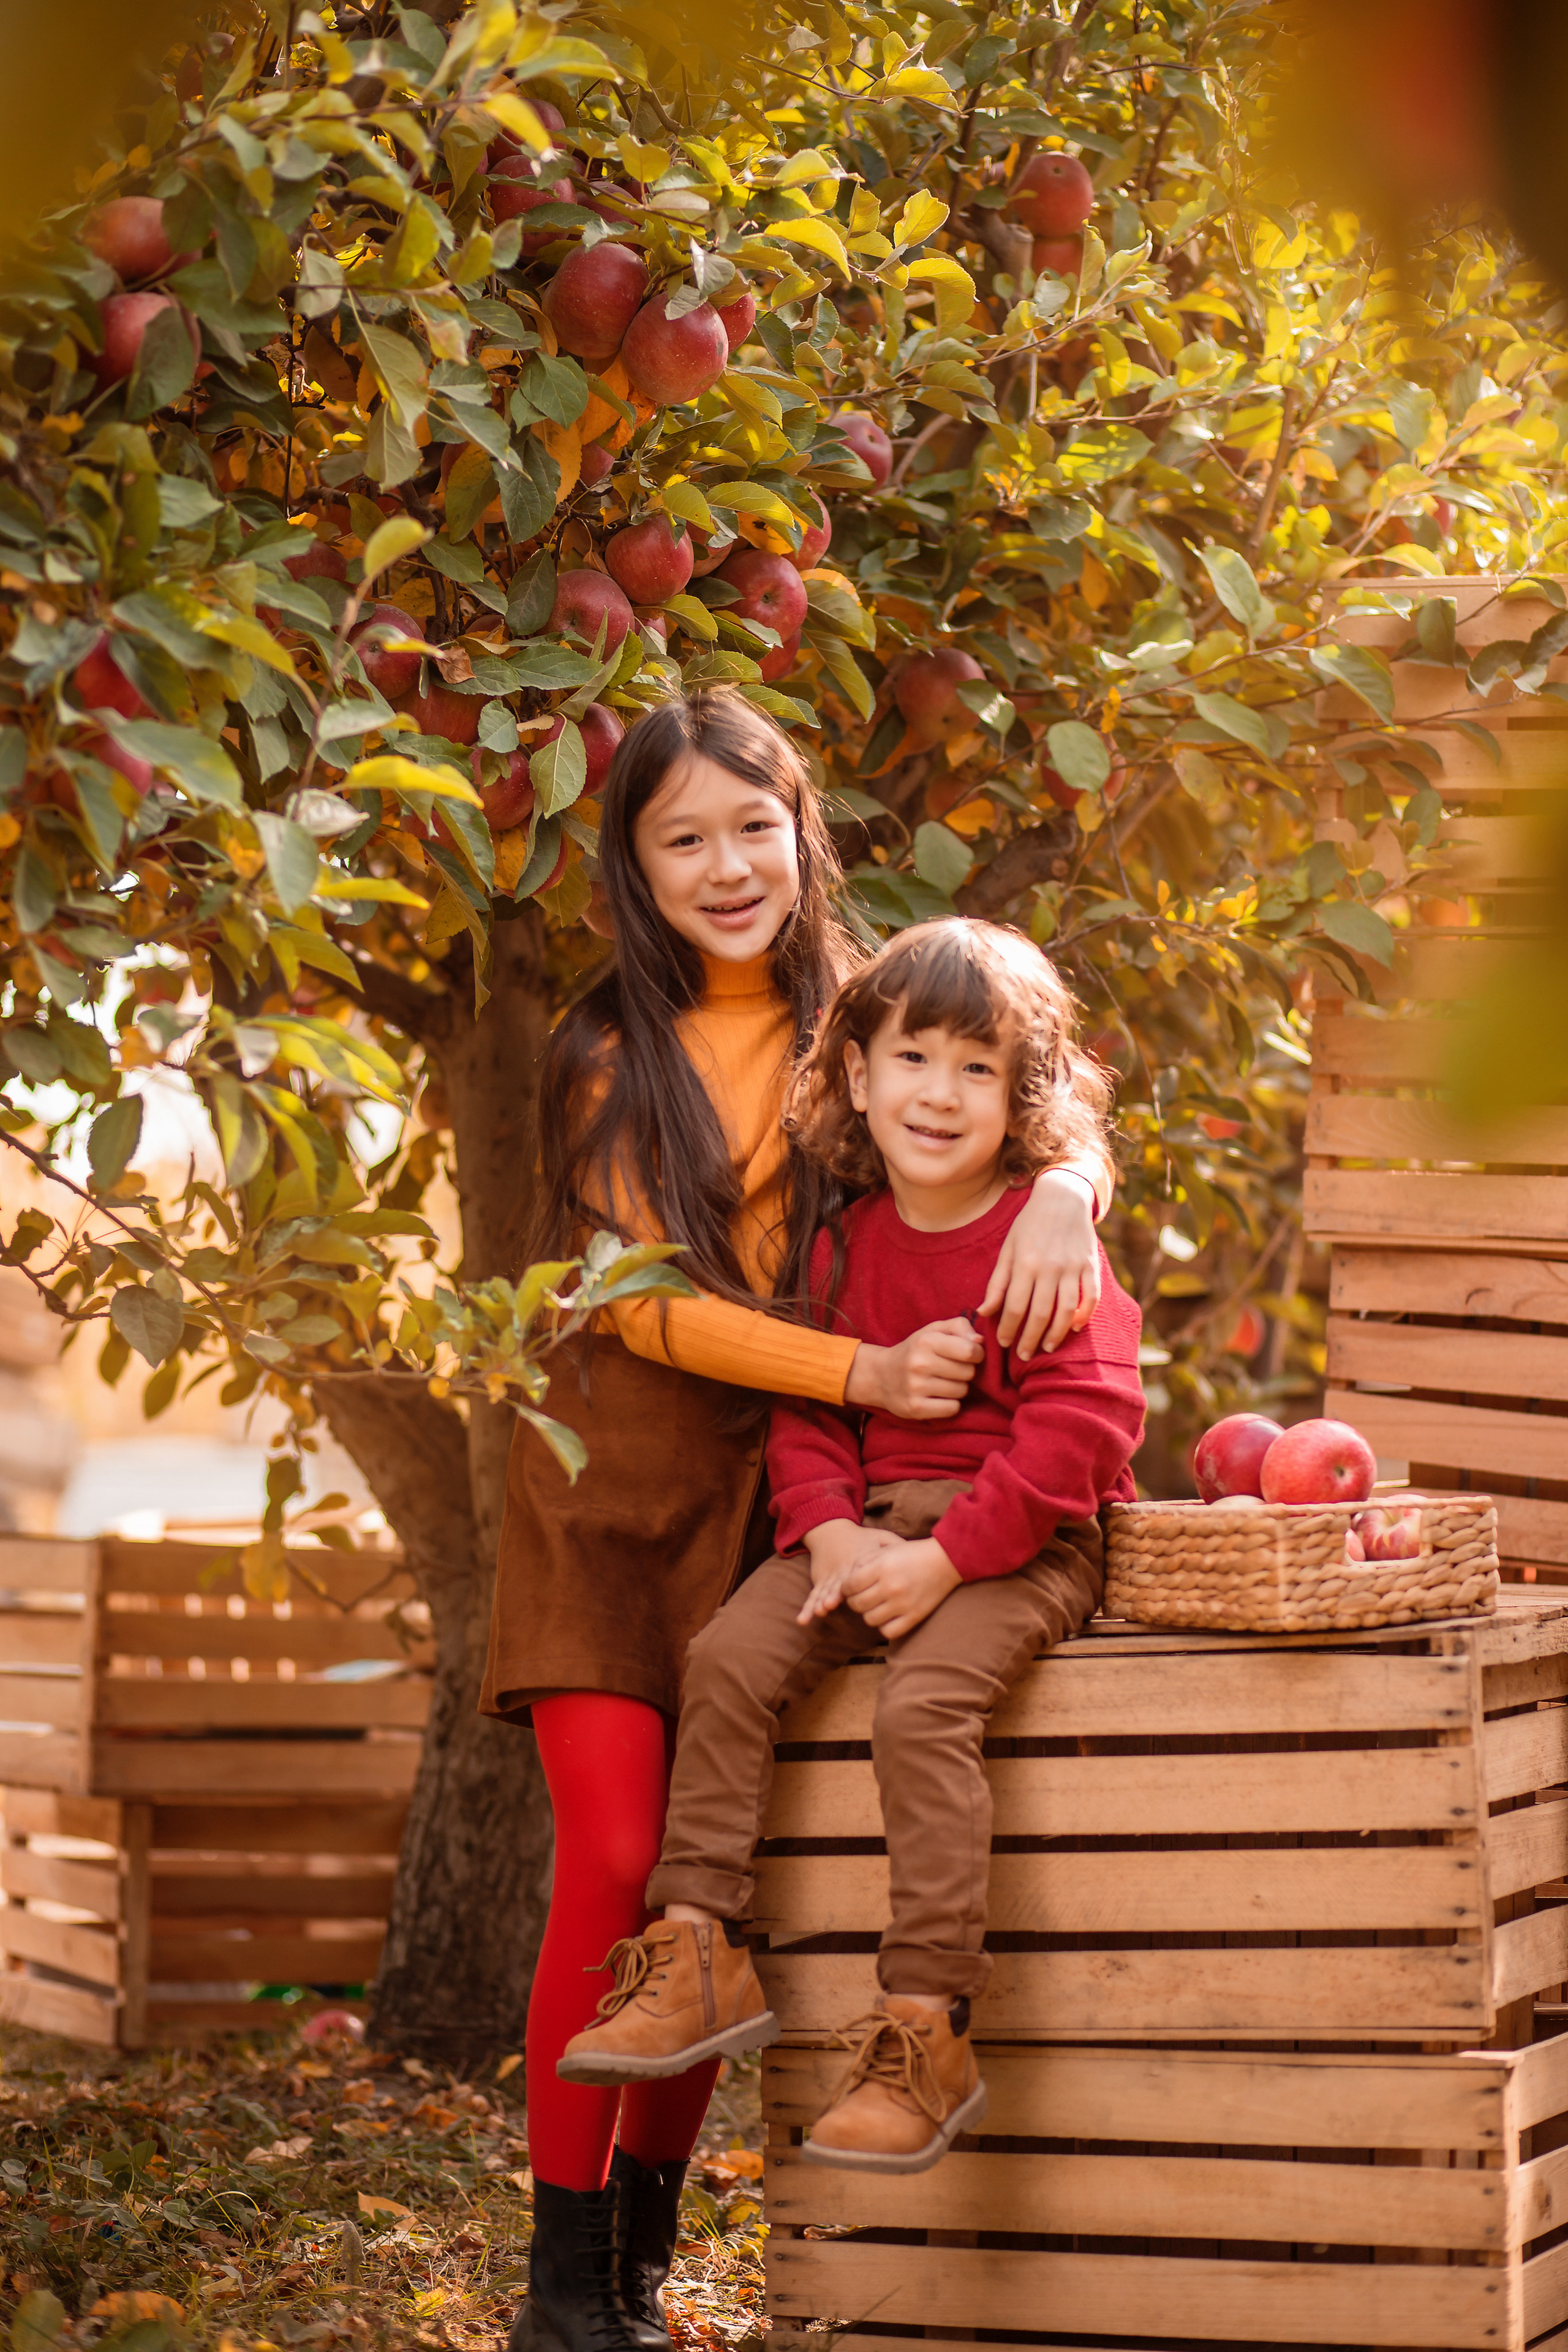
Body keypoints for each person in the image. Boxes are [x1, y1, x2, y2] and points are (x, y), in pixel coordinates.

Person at [482, 697, 1116, 2350]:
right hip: (620, 1483)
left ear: (801, 825)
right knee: (620, 1867)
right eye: (678, 838)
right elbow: (640, 1306)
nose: (724, 865)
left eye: (750, 826)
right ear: (630, 865)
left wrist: (1067, 1189)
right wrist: (866, 1371)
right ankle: (558, 2291)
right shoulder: (608, 1053)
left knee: (732, 1876)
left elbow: (1033, 1083)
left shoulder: (869, 1011)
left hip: (805, 1484)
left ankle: (636, 2268)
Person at [555, 919, 1144, 2177]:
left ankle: (924, 2023)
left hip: (1022, 1545)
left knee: (920, 1708)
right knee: (723, 1659)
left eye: (976, 1069)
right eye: (913, 1058)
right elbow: (809, 1414)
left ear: (1021, 1099)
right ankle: (699, 1944)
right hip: (858, 1535)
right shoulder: (840, 1240)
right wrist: (823, 1535)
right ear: (858, 1075)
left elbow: (1083, 1432)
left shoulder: (1042, 1241)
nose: (938, 1093)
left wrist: (945, 1563)